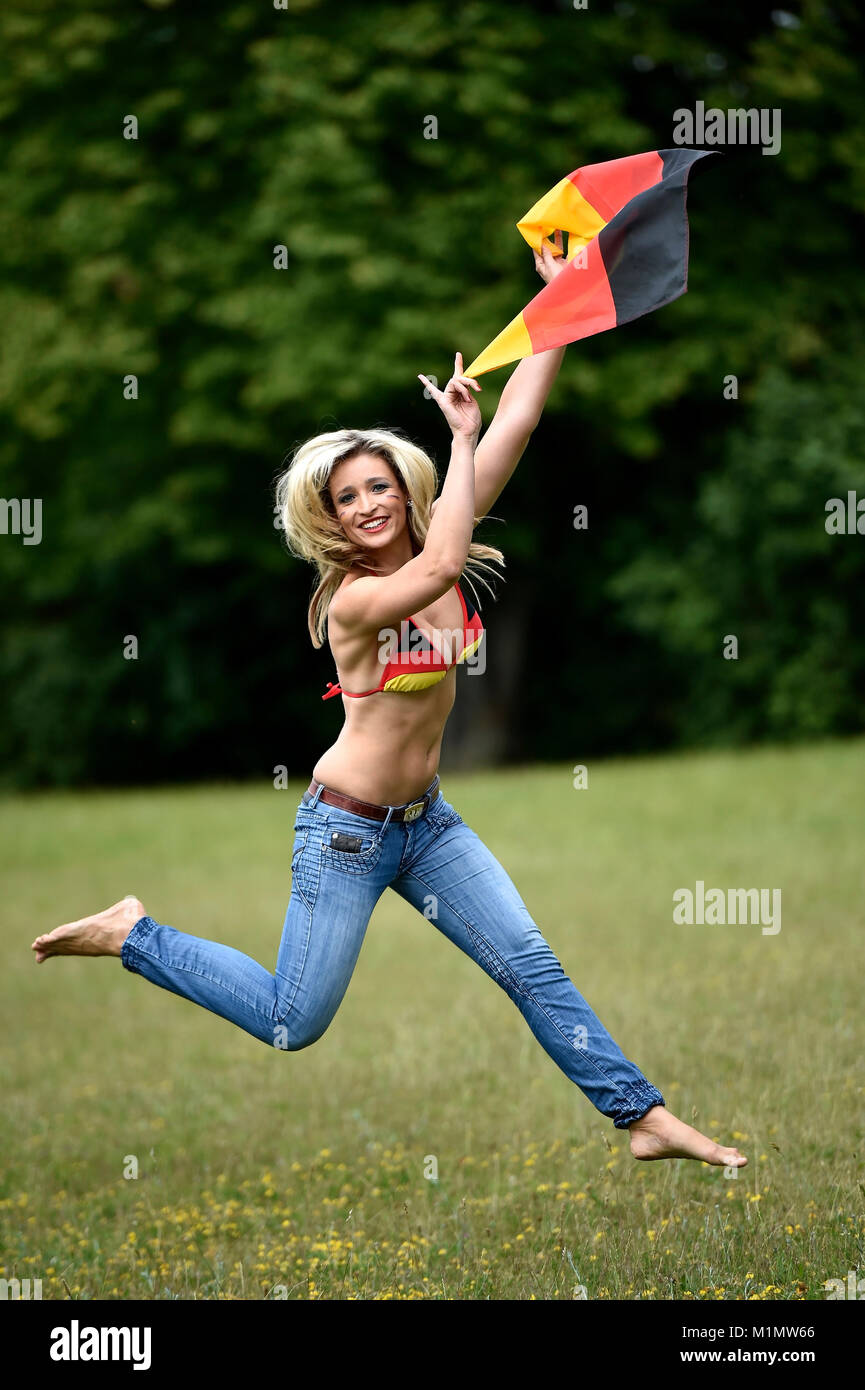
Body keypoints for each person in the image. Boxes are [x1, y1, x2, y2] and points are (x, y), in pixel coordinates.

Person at [32, 234, 746, 1169]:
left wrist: (563, 301)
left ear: (401, 492)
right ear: (326, 520)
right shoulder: (354, 603)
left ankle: (641, 1119)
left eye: (376, 486)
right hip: (346, 833)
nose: (366, 505)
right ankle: (136, 934)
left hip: (430, 824)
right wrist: (456, 436)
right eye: (344, 499)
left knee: (530, 966)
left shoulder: (435, 527)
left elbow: (521, 419)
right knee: (293, 1022)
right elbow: (447, 559)